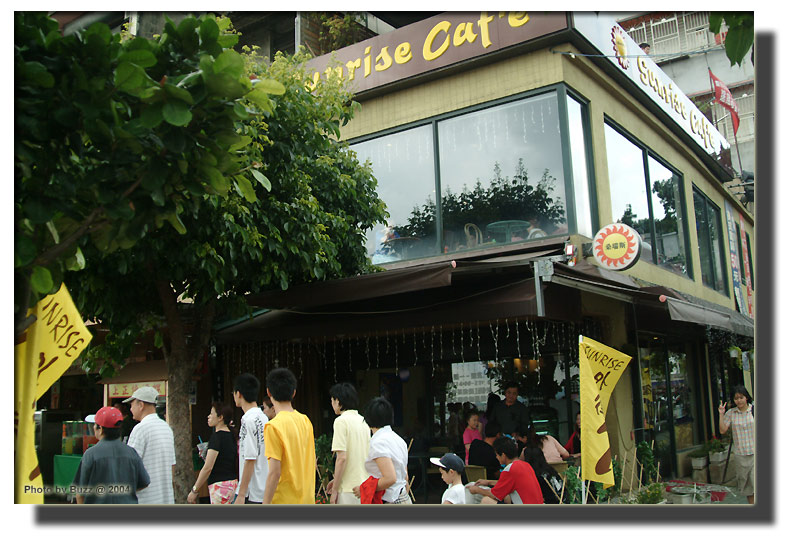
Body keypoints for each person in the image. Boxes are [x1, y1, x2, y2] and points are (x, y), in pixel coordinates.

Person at [72, 406, 150, 504]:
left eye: (95, 424)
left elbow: (80, 493)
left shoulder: (91, 454)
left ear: (100, 429)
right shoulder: (131, 453)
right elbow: (144, 482)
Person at [262, 367, 316, 504]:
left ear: (268, 392)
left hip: (284, 501)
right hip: (307, 500)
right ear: (293, 393)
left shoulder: (273, 426)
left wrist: (265, 504)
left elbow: (274, 472)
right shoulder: (305, 421)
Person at [353, 396, 411, 504]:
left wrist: (364, 489)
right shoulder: (399, 439)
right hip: (403, 497)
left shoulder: (378, 442)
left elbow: (390, 478)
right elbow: (405, 477)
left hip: (390, 500)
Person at [124, 386, 176, 504]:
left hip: (145, 499)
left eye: (132, 405)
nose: (130, 409)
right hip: (165, 499)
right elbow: (172, 466)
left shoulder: (140, 429)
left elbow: (129, 466)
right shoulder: (166, 427)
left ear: (141, 405)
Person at [326, 382, 371, 505]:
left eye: (332, 400)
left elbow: (342, 458)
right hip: (364, 486)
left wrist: (335, 490)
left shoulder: (341, 421)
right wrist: (336, 480)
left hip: (347, 489)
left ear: (338, 401)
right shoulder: (364, 421)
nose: (332, 404)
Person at [466, 437, 543, 504]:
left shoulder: (509, 469)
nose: (496, 457)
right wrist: (488, 482)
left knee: (486, 500)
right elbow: (507, 484)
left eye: (496, 454)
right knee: (506, 497)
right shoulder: (526, 465)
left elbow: (494, 495)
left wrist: (477, 490)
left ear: (503, 455)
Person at [188, 403, 238, 504]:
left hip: (220, 487)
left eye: (211, 414)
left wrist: (195, 490)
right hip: (233, 484)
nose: (208, 416)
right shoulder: (232, 435)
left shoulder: (216, 437)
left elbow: (208, 467)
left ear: (220, 417)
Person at [232, 373, 269, 504]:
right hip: (264, 488)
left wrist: (241, 494)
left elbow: (250, 458)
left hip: (252, 492)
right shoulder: (264, 418)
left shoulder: (248, 420)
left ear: (239, 394)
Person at [719, 385, 755, 504]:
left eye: (741, 397)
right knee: (748, 488)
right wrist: (721, 414)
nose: (739, 401)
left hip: (755, 454)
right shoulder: (731, 413)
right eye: (736, 398)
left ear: (746, 397)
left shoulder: (754, 410)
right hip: (740, 456)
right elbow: (722, 430)